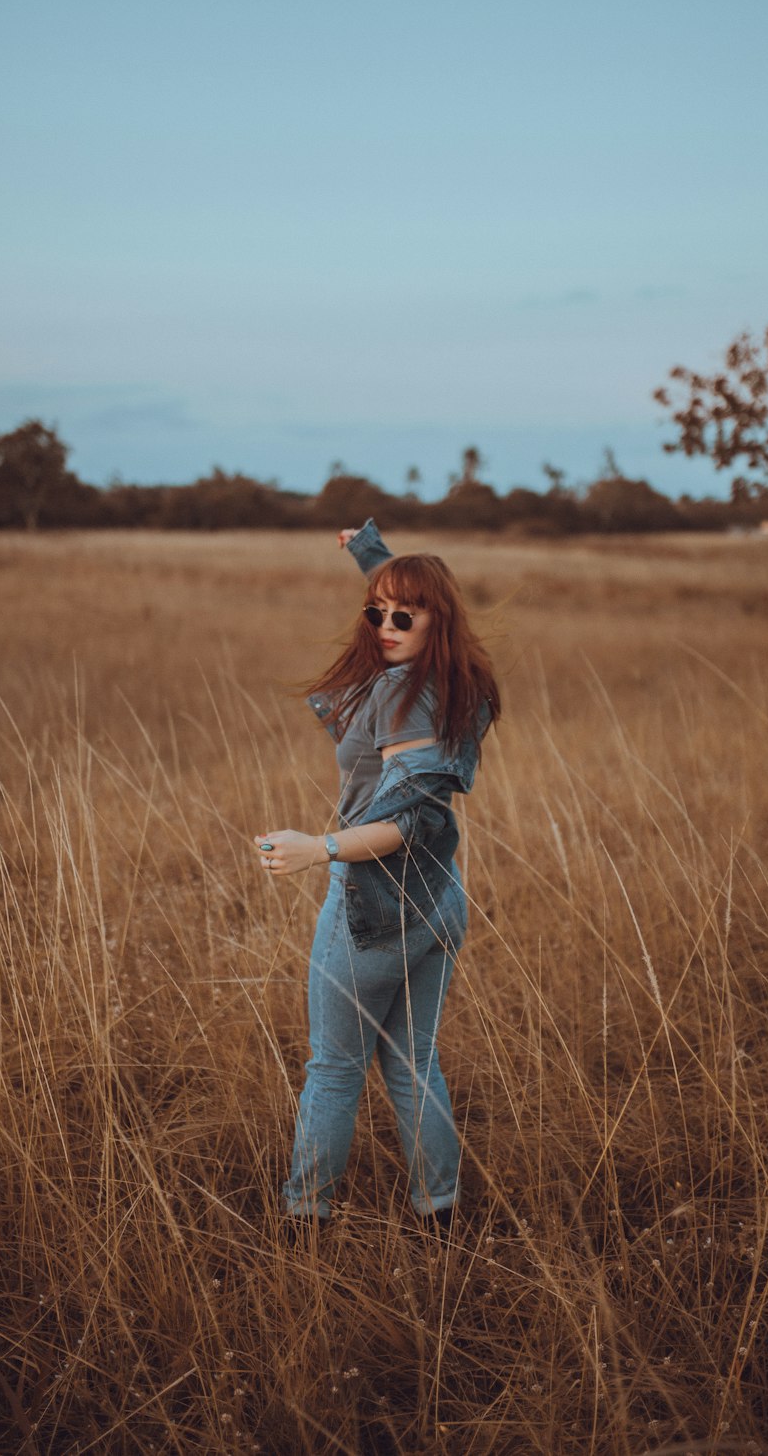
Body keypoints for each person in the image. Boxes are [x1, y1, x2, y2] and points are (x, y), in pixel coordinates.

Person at [253, 519, 500, 1234]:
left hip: (374, 909)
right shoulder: (460, 680)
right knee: (412, 1062)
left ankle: (305, 1220)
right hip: (438, 900)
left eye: (401, 616)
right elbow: (415, 596)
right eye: (375, 611)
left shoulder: (399, 696)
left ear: (435, 621)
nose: (384, 625)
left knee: (333, 1069)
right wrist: (371, 557)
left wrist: (318, 848)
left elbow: (404, 822)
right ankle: (439, 1213)